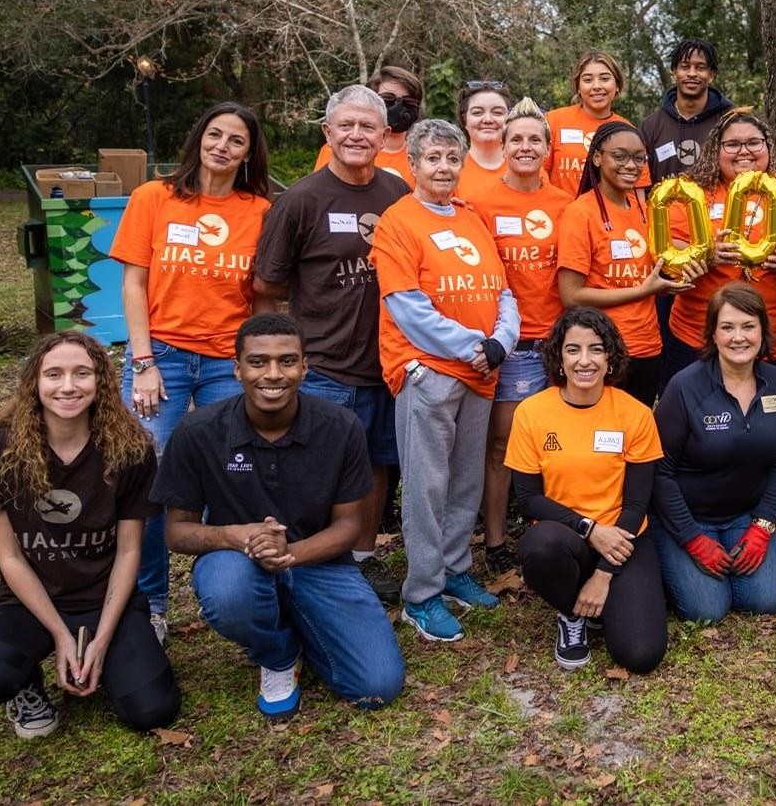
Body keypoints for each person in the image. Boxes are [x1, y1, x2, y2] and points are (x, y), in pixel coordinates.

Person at [152, 314, 405, 718]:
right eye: (258, 362)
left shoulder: (341, 427)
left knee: (377, 686)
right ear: (237, 369)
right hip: (235, 562)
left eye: (287, 361)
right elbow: (177, 533)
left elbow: (349, 527)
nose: (273, 374)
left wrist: (290, 555)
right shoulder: (198, 432)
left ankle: (300, 619)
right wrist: (237, 537)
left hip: (320, 562)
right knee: (229, 590)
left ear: (305, 366)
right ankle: (278, 654)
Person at [0, 332, 181, 738]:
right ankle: (26, 681)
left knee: (152, 710)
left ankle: (107, 657)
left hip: (106, 599)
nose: (68, 386)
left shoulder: (130, 450)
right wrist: (60, 635)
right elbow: (10, 559)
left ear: (101, 382)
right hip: (29, 602)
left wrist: (102, 639)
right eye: (54, 374)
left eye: (82, 373)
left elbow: (130, 552)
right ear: (34, 384)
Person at [110, 100, 272, 643]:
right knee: (149, 478)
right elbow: (134, 284)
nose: (223, 146)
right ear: (198, 138)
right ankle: (151, 601)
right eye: (215, 134)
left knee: (236, 473)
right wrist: (144, 362)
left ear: (250, 153)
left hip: (229, 364)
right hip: (163, 360)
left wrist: (250, 364)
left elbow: (263, 298)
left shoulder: (261, 212)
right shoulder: (153, 198)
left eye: (237, 141)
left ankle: (237, 586)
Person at [253, 85, 412, 604]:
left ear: (386, 135)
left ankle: (361, 563)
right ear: (327, 132)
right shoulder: (300, 200)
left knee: (375, 466)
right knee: (319, 471)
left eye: (368, 126)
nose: (356, 135)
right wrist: (279, 361)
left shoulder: (397, 194)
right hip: (324, 365)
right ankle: (310, 567)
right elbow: (267, 286)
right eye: (345, 125)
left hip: (387, 362)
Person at [372, 119, 517, 642]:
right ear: (411, 163)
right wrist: (473, 348)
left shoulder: (471, 217)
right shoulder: (397, 222)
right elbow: (407, 308)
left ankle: (456, 570)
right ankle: (422, 594)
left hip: (480, 373)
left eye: (451, 158)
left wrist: (500, 341)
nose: (443, 168)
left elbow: (503, 292)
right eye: (432, 158)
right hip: (429, 371)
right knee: (427, 486)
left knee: (465, 480)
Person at [506, 307, 668, 673]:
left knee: (641, 655)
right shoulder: (532, 413)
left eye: (596, 349)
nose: (584, 361)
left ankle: (600, 598)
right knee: (539, 546)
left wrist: (604, 574)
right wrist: (589, 529)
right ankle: (571, 614)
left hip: (624, 538)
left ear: (610, 357)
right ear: (558, 357)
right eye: (573, 349)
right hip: (566, 536)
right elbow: (529, 499)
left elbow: (638, 502)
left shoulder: (635, 414)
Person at [653, 283, 776, 622]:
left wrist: (763, 525)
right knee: (707, 610)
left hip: (745, 517)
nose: (739, 337)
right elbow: (660, 470)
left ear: (763, 331)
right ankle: (663, 561)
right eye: (727, 327)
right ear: (712, 334)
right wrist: (692, 538)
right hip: (686, 518)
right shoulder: (684, 387)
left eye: (748, 326)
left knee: (762, 601)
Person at [474, 98, 573, 576]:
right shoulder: (480, 204)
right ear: (503, 144)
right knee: (503, 445)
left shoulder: (565, 204)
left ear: (548, 149)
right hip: (510, 343)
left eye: (536, 139)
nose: (526, 146)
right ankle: (495, 540)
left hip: (558, 341)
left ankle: (549, 529)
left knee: (555, 442)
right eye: (517, 138)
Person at [557, 121, 702, 405]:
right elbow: (571, 295)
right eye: (620, 156)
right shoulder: (580, 213)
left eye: (639, 158)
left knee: (635, 430)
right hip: (602, 348)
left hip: (648, 346)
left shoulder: (645, 209)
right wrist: (646, 290)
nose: (631, 165)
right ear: (597, 158)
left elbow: (658, 263)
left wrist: (706, 251)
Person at [663, 109, 776, 380]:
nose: (744, 151)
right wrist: (705, 253)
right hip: (698, 334)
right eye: (732, 144)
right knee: (691, 414)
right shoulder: (690, 190)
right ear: (715, 150)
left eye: (754, 142)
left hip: (772, 335)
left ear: (768, 146)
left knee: (760, 415)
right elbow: (667, 246)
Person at [545, 51, 648, 195]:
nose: (597, 86)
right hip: (560, 215)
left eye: (605, 79)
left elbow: (637, 193)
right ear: (578, 87)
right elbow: (538, 175)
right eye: (588, 80)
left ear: (617, 85)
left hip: (610, 216)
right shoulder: (554, 121)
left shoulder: (629, 132)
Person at [640, 38, 734, 181]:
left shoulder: (730, 121)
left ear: (711, 75)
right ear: (674, 72)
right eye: (685, 67)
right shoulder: (650, 127)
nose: (692, 73)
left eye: (700, 68)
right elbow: (640, 181)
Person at [314, 65, 424, 185]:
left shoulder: (425, 156)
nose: (398, 107)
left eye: (408, 102)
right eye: (388, 100)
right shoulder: (339, 150)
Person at [454, 80, 513, 203]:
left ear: (509, 118)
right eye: (477, 113)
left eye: (497, 112)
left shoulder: (527, 167)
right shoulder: (451, 169)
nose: (488, 119)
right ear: (465, 119)